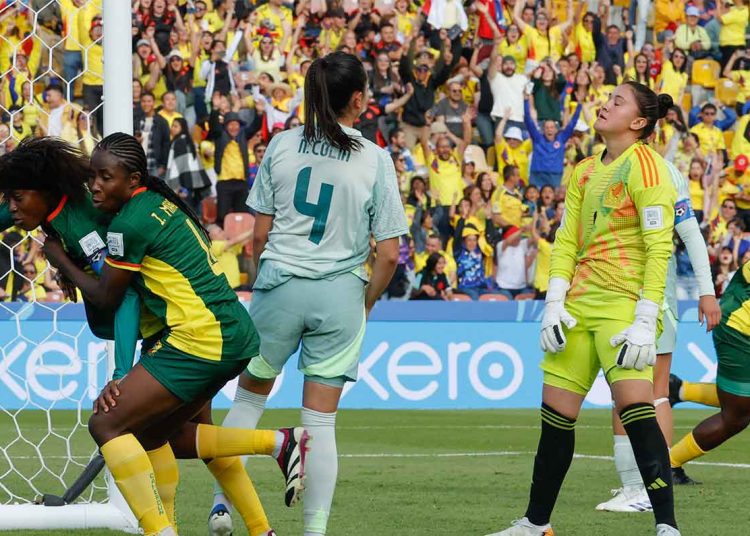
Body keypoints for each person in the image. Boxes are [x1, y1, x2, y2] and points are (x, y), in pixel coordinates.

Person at [31, 133, 308, 536]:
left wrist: (59, 258)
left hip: (199, 338)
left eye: (106, 177)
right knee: (162, 435)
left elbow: (108, 296)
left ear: (133, 179)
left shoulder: (127, 224)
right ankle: (273, 468)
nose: (95, 186)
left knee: (107, 424)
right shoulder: (159, 204)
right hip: (229, 331)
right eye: (93, 176)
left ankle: (161, 530)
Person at [209, 51, 406, 536]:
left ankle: (222, 508)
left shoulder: (282, 145)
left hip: (279, 284)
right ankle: (314, 532)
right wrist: (367, 300)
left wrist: (267, 275)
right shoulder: (375, 159)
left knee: (249, 399)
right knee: (319, 423)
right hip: (340, 293)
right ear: (357, 100)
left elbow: (258, 234)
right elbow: (388, 255)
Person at [488, 82, 679, 536]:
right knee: (554, 419)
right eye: (607, 97)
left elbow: (658, 249)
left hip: (623, 308)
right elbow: (567, 240)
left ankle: (667, 526)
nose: (605, 103)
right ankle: (537, 524)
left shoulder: (650, 169)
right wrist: (553, 303)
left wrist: (645, 319)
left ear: (637, 122)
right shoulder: (583, 170)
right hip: (577, 306)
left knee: (637, 413)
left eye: (617, 101)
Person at [595, 159, 722, 513]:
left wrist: (707, 291)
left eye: (619, 102)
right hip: (612, 291)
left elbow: (691, 233)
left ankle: (649, 487)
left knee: (654, 391)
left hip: (653, 293)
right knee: (626, 390)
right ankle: (635, 487)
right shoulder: (603, 168)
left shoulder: (666, 172)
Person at [668, 258, 750, 483]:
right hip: (740, 331)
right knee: (736, 417)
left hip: (738, 324)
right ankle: (669, 464)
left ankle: (680, 390)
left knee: (740, 402)